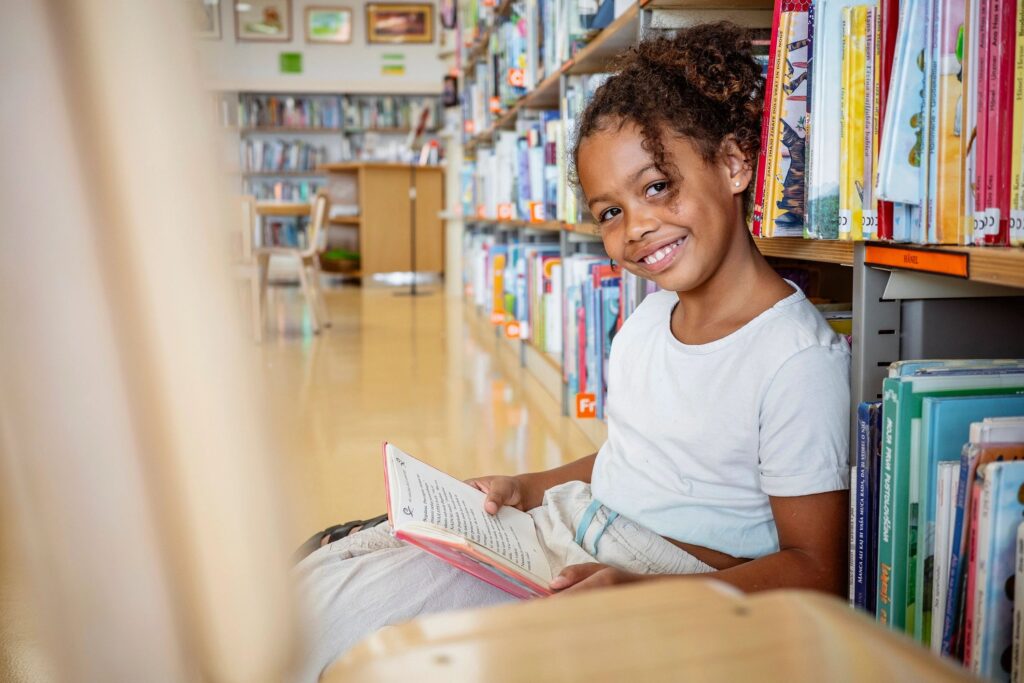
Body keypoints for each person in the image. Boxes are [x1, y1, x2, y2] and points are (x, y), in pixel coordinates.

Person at [292, 22, 850, 681]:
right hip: (570, 525)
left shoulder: (793, 357)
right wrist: (524, 487)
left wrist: (636, 590)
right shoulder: (649, 319)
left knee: (335, 626)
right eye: (609, 212)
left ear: (732, 164)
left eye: (656, 187)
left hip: (652, 577)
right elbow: (631, 455)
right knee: (318, 577)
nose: (636, 228)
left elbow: (817, 568)